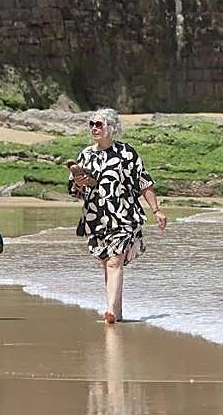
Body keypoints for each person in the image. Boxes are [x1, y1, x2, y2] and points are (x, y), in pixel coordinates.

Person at [68, 108, 167, 325]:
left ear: (112, 128)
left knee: (114, 262)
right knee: (108, 263)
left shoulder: (127, 153)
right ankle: (117, 312)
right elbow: (74, 191)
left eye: (99, 124)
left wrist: (156, 210)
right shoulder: (85, 155)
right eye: (92, 124)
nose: (94, 128)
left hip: (123, 217)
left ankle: (110, 310)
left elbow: (144, 183)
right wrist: (79, 183)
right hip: (96, 219)